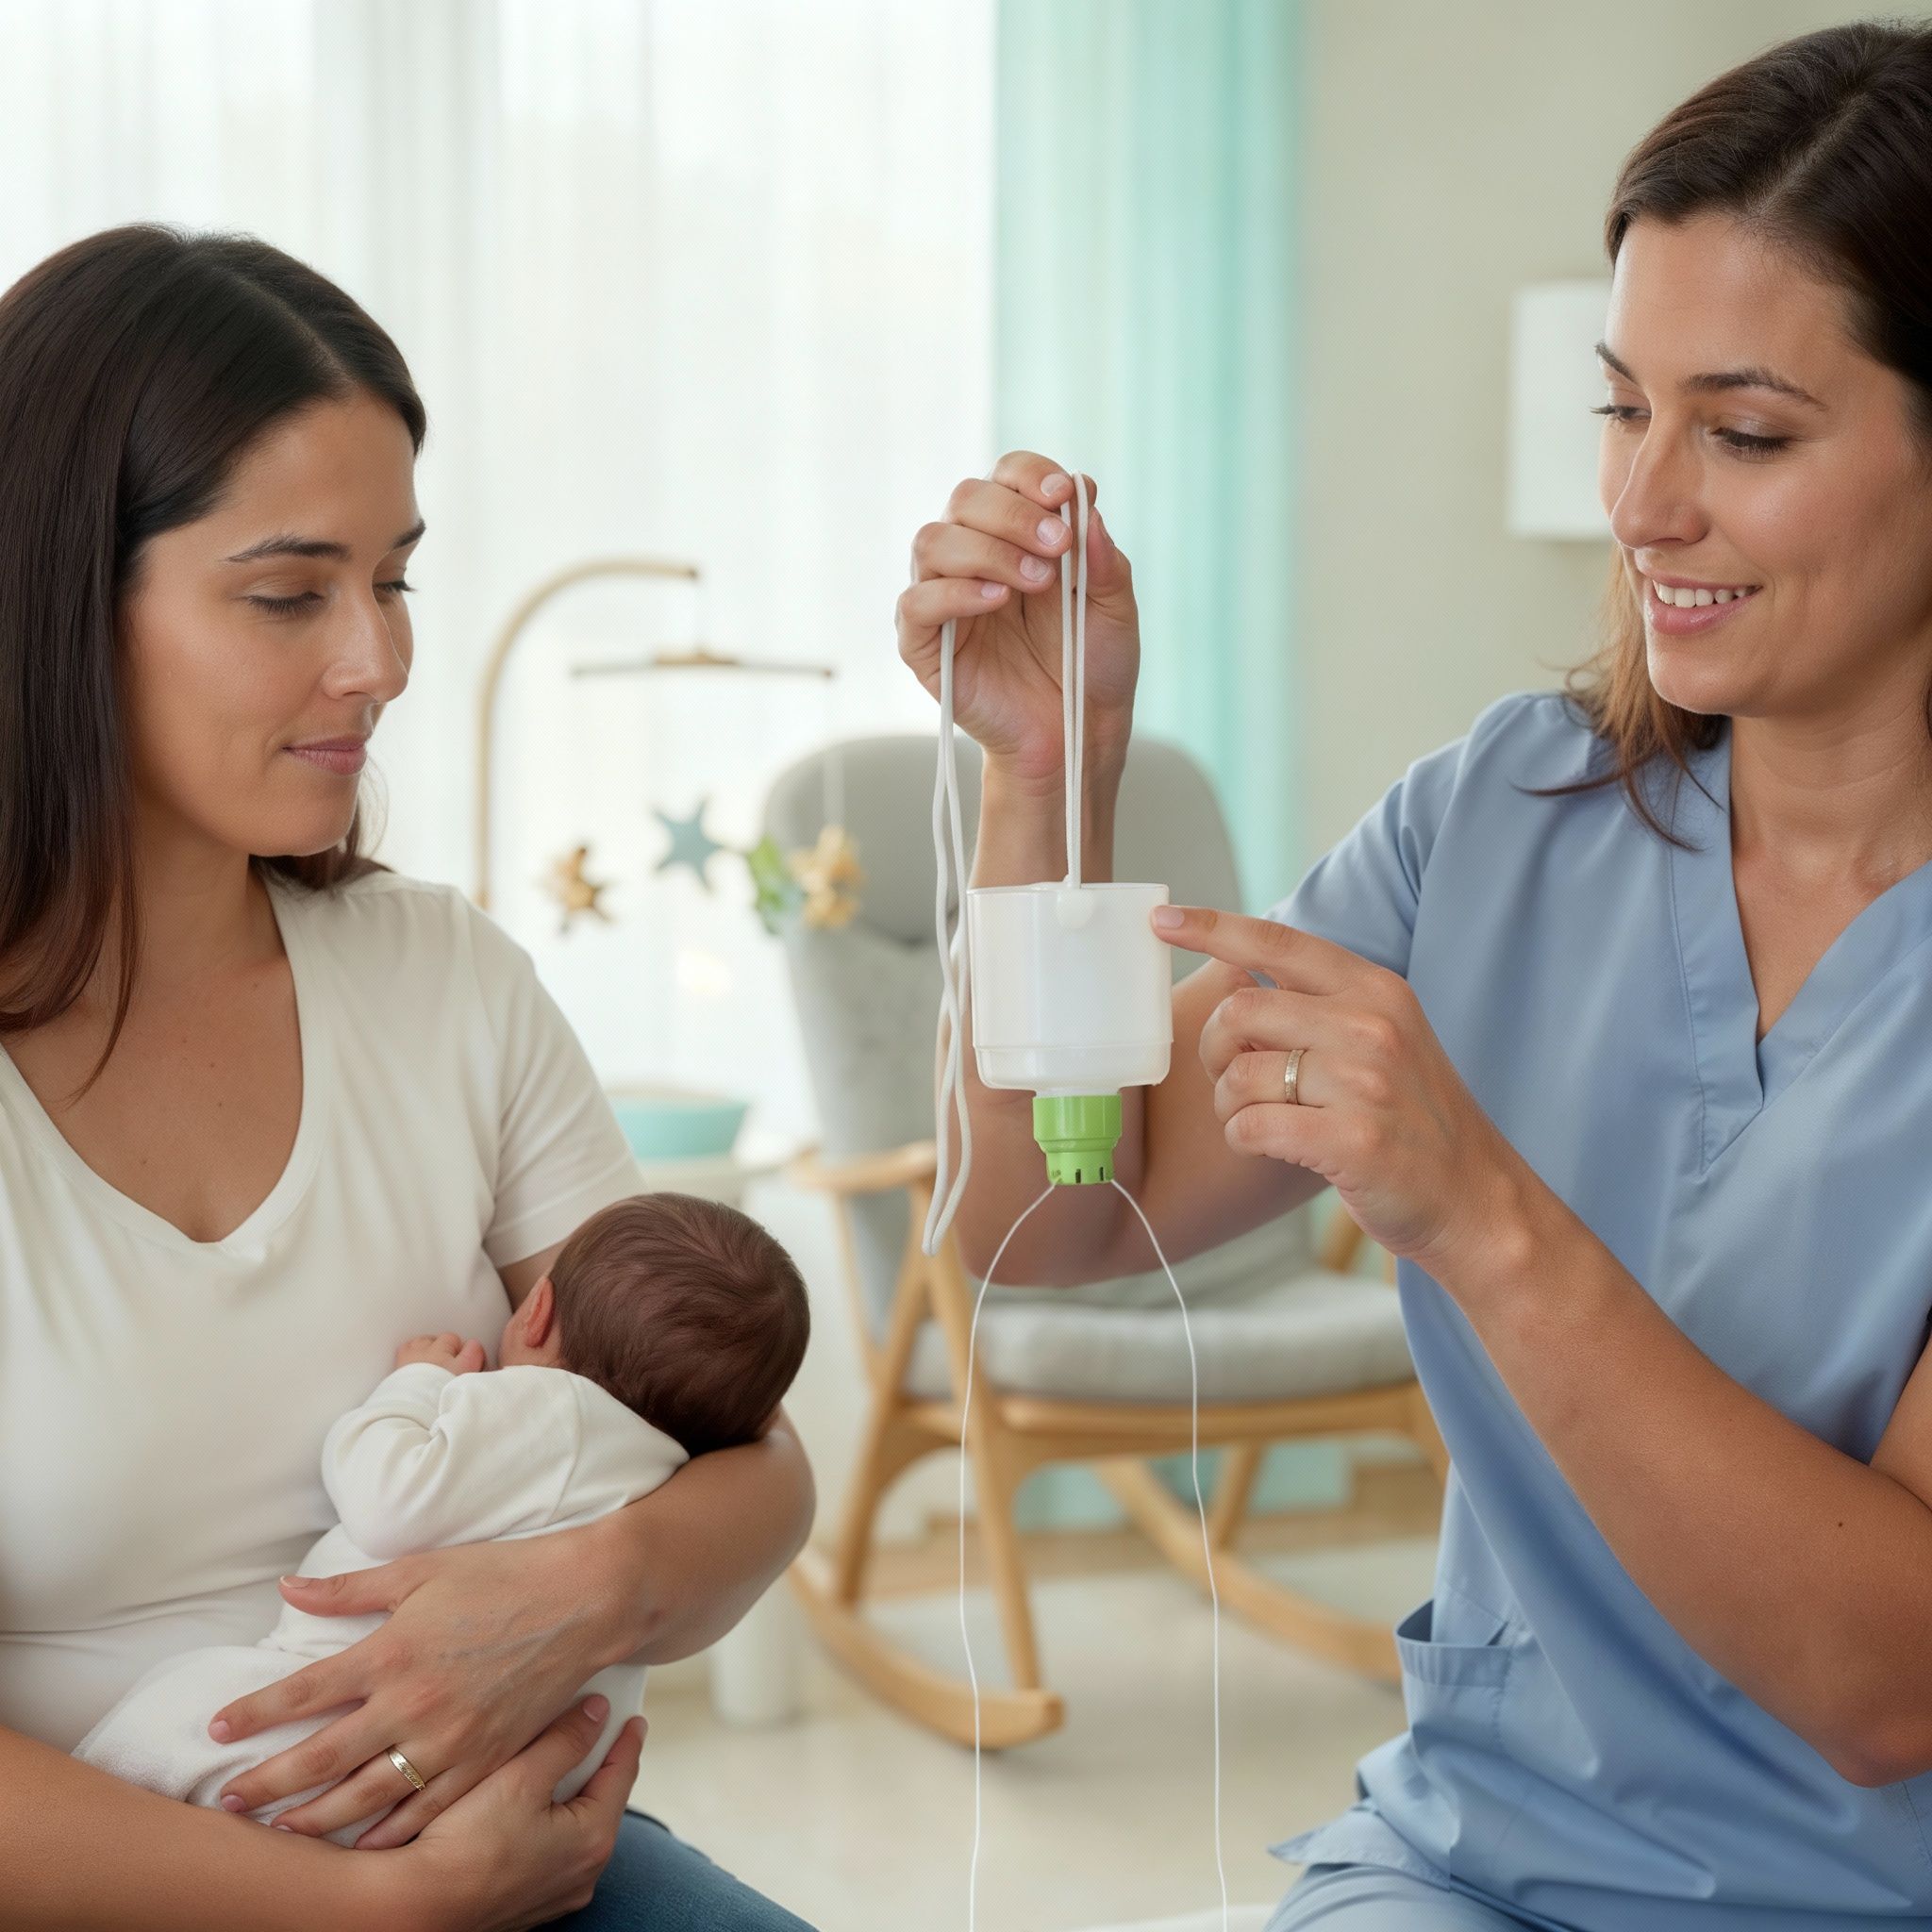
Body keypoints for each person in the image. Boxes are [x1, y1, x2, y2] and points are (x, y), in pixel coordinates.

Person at [897, 21, 1932, 1931]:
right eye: (1624, 410)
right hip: (1462, 1870)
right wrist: (1052, 766)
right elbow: (1041, 1215)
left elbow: (1889, 1680)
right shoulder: (1501, 815)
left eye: (1748, 432)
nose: (1643, 505)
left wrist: (1477, 1211)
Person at [0, 225, 816, 1932]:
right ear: (60, 593)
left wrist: (588, 1589)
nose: (375, 660)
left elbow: (756, 1467)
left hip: (506, 1862)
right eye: (292, 592)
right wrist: (380, 1910)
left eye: (395, 581)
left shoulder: (441, 980)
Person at [75, 1191, 810, 1846]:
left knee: (181, 1712)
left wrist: (415, 1383)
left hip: (343, 1733)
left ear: (536, 1310)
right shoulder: (672, 1471)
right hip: (519, 1796)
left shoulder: (543, 1409)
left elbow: (387, 1499)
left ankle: (100, 1815)